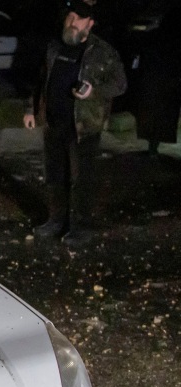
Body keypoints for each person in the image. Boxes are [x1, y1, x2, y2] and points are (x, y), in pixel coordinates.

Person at [23, 0, 125, 246]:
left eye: (78, 19)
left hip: (83, 127)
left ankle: (80, 228)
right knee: (55, 175)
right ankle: (56, 220)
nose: (71, 22)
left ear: (89, 24)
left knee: (81, 180)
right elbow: (39, 80)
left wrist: (93, 91)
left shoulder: (102, 51)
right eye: (70, 17)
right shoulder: (54, 47)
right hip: (54, 123)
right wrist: (30, 110)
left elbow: (120, 85)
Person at [133, 5, 181, 157]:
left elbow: (140, 53)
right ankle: (154, 146)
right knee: (162, 116)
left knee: (152, 115)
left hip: (153, 80)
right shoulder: (175, 40)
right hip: (170, 81)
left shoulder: (153, 36)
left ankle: (152, 146)